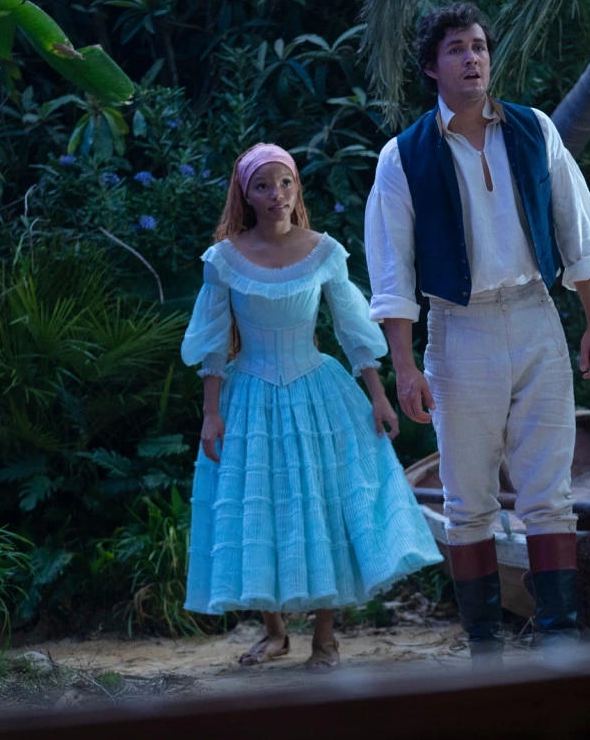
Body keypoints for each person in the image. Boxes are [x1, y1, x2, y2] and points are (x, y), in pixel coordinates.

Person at [364, 2, 590, 664]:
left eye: (478, 46)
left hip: (535, 316)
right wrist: (404, 367)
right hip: (459, 328)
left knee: (549, 493)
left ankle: (561, 644)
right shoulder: (403, 156)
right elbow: (391, 269)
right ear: (431, 67)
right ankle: (484, 650)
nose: (472, 58)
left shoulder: (533, 129)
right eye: (456, 49)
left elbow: (576, 225)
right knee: (468, 499)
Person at [180, 142, 443, 673]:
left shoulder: (324, 251)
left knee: (325, 504)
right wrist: (211, 412)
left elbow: (352, 328)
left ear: (296, 187)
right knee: (258, 504)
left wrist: (379, 396)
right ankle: (275, 632)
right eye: (263, 185)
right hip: (249, 395)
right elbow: (211, 344)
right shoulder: (224, 259)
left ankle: (325, 639)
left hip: (317, 391)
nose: (276, 194)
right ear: (246, 195)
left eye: (285, 183)